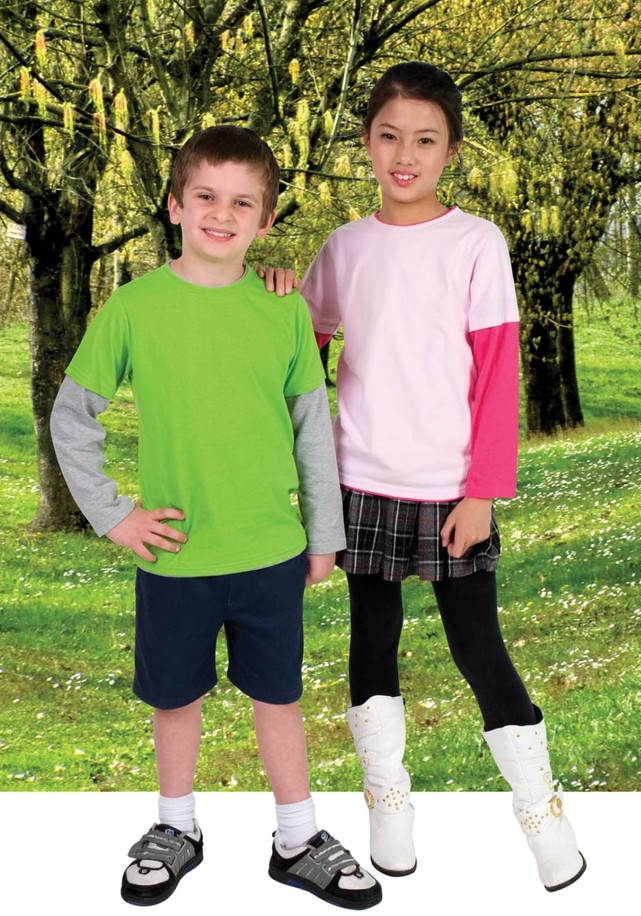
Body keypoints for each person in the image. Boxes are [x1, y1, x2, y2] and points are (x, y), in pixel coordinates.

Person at [50, 125, 382, 911]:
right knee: (176, 700)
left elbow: (312, 430)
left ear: (266, 220)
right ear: (174, 204)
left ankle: (297, 839)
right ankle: (176, 828)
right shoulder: (134, 308)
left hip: (270, 552)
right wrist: (114, 516)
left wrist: (325, 536)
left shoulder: (283, 308)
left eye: (242, 203)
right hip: (176, 555)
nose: (221, 215)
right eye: (205, 196)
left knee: (279, 698)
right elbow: (72, 418)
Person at [299, 62, 586, 892]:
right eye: (389, 136)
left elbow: (497, 375)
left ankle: (542, 816)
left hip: (452, 490)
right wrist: (278, 295)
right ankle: (387, 807)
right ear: (366, 141)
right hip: (361, 482)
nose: (405, 155)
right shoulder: (343, 248)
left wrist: (483, 492)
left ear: (451, 151)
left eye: (425, 140)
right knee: (371, 641)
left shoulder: (476, 243)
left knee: (477, 648)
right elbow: (299, 351)